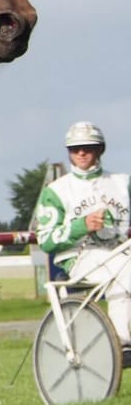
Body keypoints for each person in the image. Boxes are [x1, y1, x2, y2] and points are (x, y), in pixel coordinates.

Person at [34, 121, 131, 366]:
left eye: (88, 147)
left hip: (119, 251)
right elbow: (45, 240)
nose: (81, 153)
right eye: (75, 148)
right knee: (124, 272)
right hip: (79, 257)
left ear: (100, 149)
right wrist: (81, 226)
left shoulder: (123, 183)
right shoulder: (56, 191)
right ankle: (121, 342)